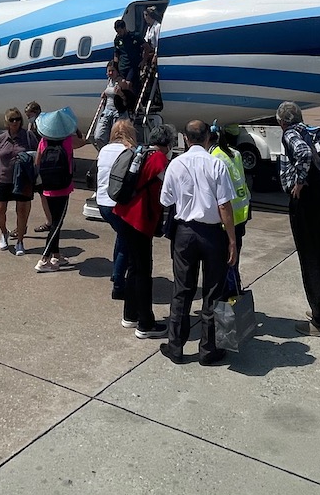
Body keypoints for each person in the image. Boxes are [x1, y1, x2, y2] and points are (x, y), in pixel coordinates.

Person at [158, 119, 236, 365]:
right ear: (207, 138)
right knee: (213, 292)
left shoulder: (176, 164)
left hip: (185, 233)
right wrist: (232, 240)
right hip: (212, 234)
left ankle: (176, 346)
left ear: (186, 139)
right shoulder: (216, 165)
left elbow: (166, 200)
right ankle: (208, 349)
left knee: (182, 290)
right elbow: (224, 204)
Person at [277, 101, 320, 338]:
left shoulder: (291, 134)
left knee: (310, 258)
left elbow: (301, 153)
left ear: (282, 122)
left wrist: (300, 180)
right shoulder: (312, 130)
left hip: (307, 202)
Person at [112, 123, 172, 339]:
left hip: (124, 213)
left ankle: (130, 315)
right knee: (143, 272)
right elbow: (170, 189)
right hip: (140, 219)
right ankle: (145, 323)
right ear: (167, 144)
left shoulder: (142, 153)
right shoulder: (159, 160)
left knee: (133, 267)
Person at [94, 118, 137, 300]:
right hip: (119, 203)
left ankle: (115, 272)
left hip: (103, 203)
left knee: (121, 237)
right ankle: (119, 283)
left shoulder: (104, 150)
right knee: (126, 243)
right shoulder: (129, 151)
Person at [34, 106, 78, 272]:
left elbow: (37, 163)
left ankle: (56, 256)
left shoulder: (43, 141)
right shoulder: (67, 141)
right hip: (63, 188)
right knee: (57, 224)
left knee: (54, 222)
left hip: (47, 187)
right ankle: (44, 260)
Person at [210, 123, 252, 289]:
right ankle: (236, 287)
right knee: (235, 257)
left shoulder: (214, 157)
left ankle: (229, 293)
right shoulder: (234, 152)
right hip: (242, 210)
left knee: (225, 259)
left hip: (228, 216)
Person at [0, 107, 33, 256]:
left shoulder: (27, 136)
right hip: (4, 179)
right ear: (7, 122)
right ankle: (4, 233)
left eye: (18, 119)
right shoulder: (2, 138)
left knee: (22, 211)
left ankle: (20, 241)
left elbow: (38, 154)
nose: (15, 122)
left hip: (23, 180)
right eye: (12, 120)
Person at [24, 101, 52, 233]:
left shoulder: (41, 125)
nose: (28, 118)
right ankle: (49, 221)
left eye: (30, 115)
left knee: (42, 194)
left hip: (39, 162)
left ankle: (49, 222)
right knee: (41, 194)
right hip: (35, 159)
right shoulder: (33, 124)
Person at [90, 61, 128, 146]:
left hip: (118, 113)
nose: (110, 73)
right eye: (109, 71)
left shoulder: (122, 82)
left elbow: (127, 101)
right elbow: (109, 91)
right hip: (107, 112)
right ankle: (105, 152)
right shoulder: (109, 81)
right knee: (98, 137)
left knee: (116, 139)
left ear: (117, 71)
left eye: (113, 71)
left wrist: (121, 94)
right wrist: (105, 93)